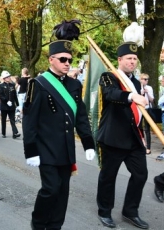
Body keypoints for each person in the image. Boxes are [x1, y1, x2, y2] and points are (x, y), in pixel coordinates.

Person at [22, 39, 95, 230]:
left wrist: (88, 143)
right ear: (51, 59)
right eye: (63, 59)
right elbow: (29, 121)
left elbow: (80, 116)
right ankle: (38, 223)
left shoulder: (74, 85)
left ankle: (55, 226)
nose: (67, 63)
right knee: (50, 188)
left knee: (63, 191)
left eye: (70, 60)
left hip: (66, 148)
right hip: (45, 148)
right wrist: (30, 150)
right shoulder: (37, 84)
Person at [96, 42, 149, 229]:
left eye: (135, 59)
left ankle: (130, 211)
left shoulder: (136, 82)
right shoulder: (109, 76)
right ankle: (104, 211)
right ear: (120, 60)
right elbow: (111, 94)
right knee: (108, 176)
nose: (132, 62)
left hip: (134, 137)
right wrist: (131, 96)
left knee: (141, 174)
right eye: (129, 58)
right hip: (113, 137)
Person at [0, 70, 20, 139]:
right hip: (4, 105)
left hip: (11, 106)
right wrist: (6, 101)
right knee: (3, 120)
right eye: (7, 77)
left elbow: (14, 95)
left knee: (12, 120)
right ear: (4, 78)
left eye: (9, 76)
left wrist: (17, 103)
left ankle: (15, 133)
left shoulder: (12, 85)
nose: (9, 78)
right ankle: (3, 132)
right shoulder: (1, 86)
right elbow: (0, 95)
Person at [140, 73, 154, 154]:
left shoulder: (149, 88)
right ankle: (141, 144)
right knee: (138, 127)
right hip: (140, 109)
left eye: (147, 79)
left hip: (147, 109)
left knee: (147, 129)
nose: (146, 81)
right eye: (145, 79)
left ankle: (148, 148)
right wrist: (142, 92)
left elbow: (152, 100)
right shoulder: (137, 87)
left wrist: (147, 93)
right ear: (141, 79)